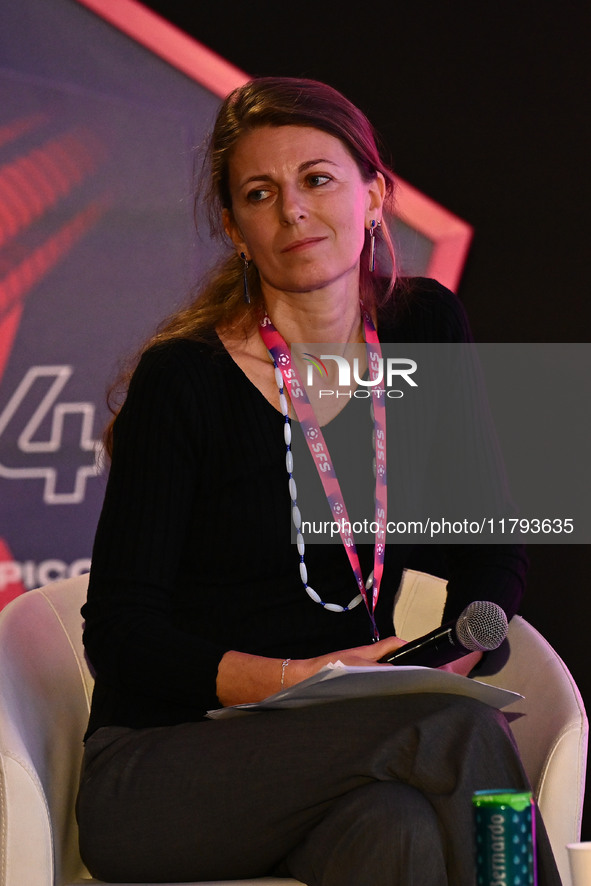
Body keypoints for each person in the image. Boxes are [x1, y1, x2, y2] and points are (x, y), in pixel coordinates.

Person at [76, 77, 561, 885]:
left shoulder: (422, 329)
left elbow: (491, 535)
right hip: (166, 768)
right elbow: (120, 635)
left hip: (348, 758)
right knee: (443, 732)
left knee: (395, 830)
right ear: (235, 229)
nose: (293, 211)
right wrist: (297, 682)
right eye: (260, 194)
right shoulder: (184, 382)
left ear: (374, 195)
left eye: (317, 179)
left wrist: (458, 648)